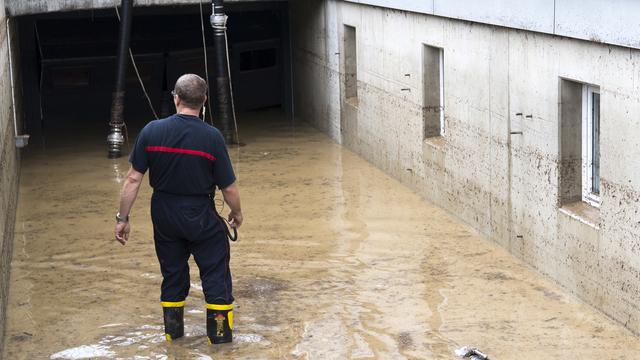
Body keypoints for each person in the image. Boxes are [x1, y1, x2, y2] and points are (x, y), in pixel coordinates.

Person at [113, 74, 243, 344]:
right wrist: (236, 213)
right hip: (201, 214)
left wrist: (122, 218)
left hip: (164, 214)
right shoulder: (212, 137)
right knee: (215, 275)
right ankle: (220, 342)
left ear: (176, 98)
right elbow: (228, 188)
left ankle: (173, 340)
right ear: (204, 101)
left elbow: (133, 179)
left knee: (172, 274)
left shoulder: (151, 131)